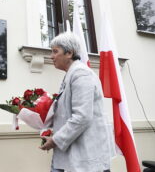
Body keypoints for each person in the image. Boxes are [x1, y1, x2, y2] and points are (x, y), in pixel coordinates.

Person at [40, 32, 113, 172]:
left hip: (86, 156)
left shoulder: (81, 74)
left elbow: (82, 117)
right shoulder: (72, 74)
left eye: (55, 51)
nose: (51, 56)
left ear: (69, 53)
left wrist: (55, 140)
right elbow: (65, 114)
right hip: (73, 154)